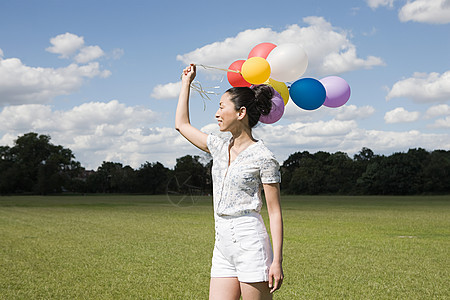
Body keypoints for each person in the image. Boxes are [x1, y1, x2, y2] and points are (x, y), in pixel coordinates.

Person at [175, 64, 284, 300]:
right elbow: (181, 125)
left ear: (241, 113)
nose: (216, 114)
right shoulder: (219, 147)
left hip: (250, 242)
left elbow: (274, 212)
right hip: (222, 243)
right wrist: (186, 84)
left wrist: (277, 260)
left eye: (222, 107)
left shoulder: (264, 157)